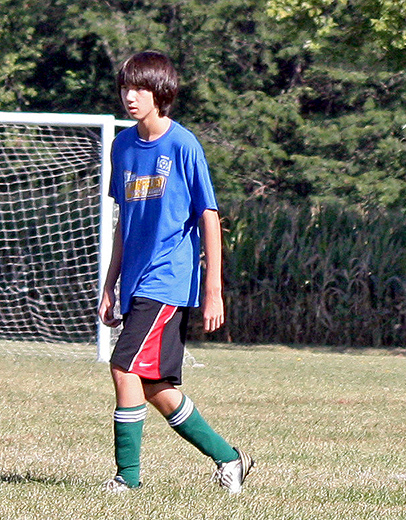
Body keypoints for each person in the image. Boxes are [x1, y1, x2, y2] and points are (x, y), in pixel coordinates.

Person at [98, 50, 253, 493]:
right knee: (154, 386)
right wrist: (110, 286)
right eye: (126, 87)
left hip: (167, 280)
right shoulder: (122, 145)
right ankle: (230, 457)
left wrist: (214, 289)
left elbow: (208, 216)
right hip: (134, 282)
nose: (130, 96)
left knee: (123, 367)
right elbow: (125, 226)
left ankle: (126, 480)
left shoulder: (183, 144)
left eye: (140, 88)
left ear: (160, 93)